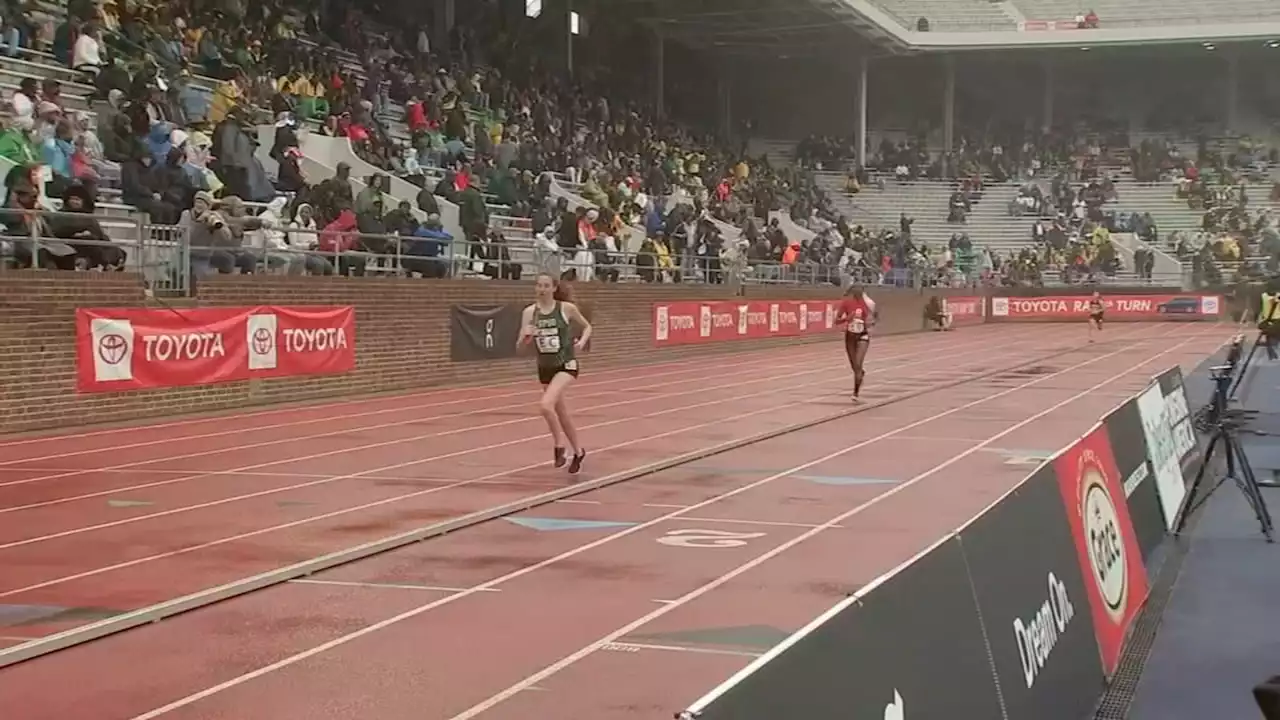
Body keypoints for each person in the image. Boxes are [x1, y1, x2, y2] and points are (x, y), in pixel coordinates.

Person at [519, 273, 593, 474]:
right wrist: (526, 338)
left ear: (553, 288)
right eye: (538, 285)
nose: (541, 289)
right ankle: (578, 451)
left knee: (545, 405)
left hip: (566, 364)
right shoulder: (529, 313)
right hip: (545, 367)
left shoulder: (565, 309)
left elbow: (587, 326)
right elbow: (519, 348)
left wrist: (582, 342)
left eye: (545, 285)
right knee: (561, 413)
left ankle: (559, 447)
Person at [835, 285, 877, 401]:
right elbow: (836, 321)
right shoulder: (846, 303)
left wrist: (871, 322)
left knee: (858, 363)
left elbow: (874, 318)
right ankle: (860, 374)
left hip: (863, 335)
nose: (859, 293)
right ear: (853, 292)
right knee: (855, 366)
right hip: (850, 336)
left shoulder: (868, 304)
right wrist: (847, 319)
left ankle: (855, 392)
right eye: (857, 291)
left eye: (861, 291)